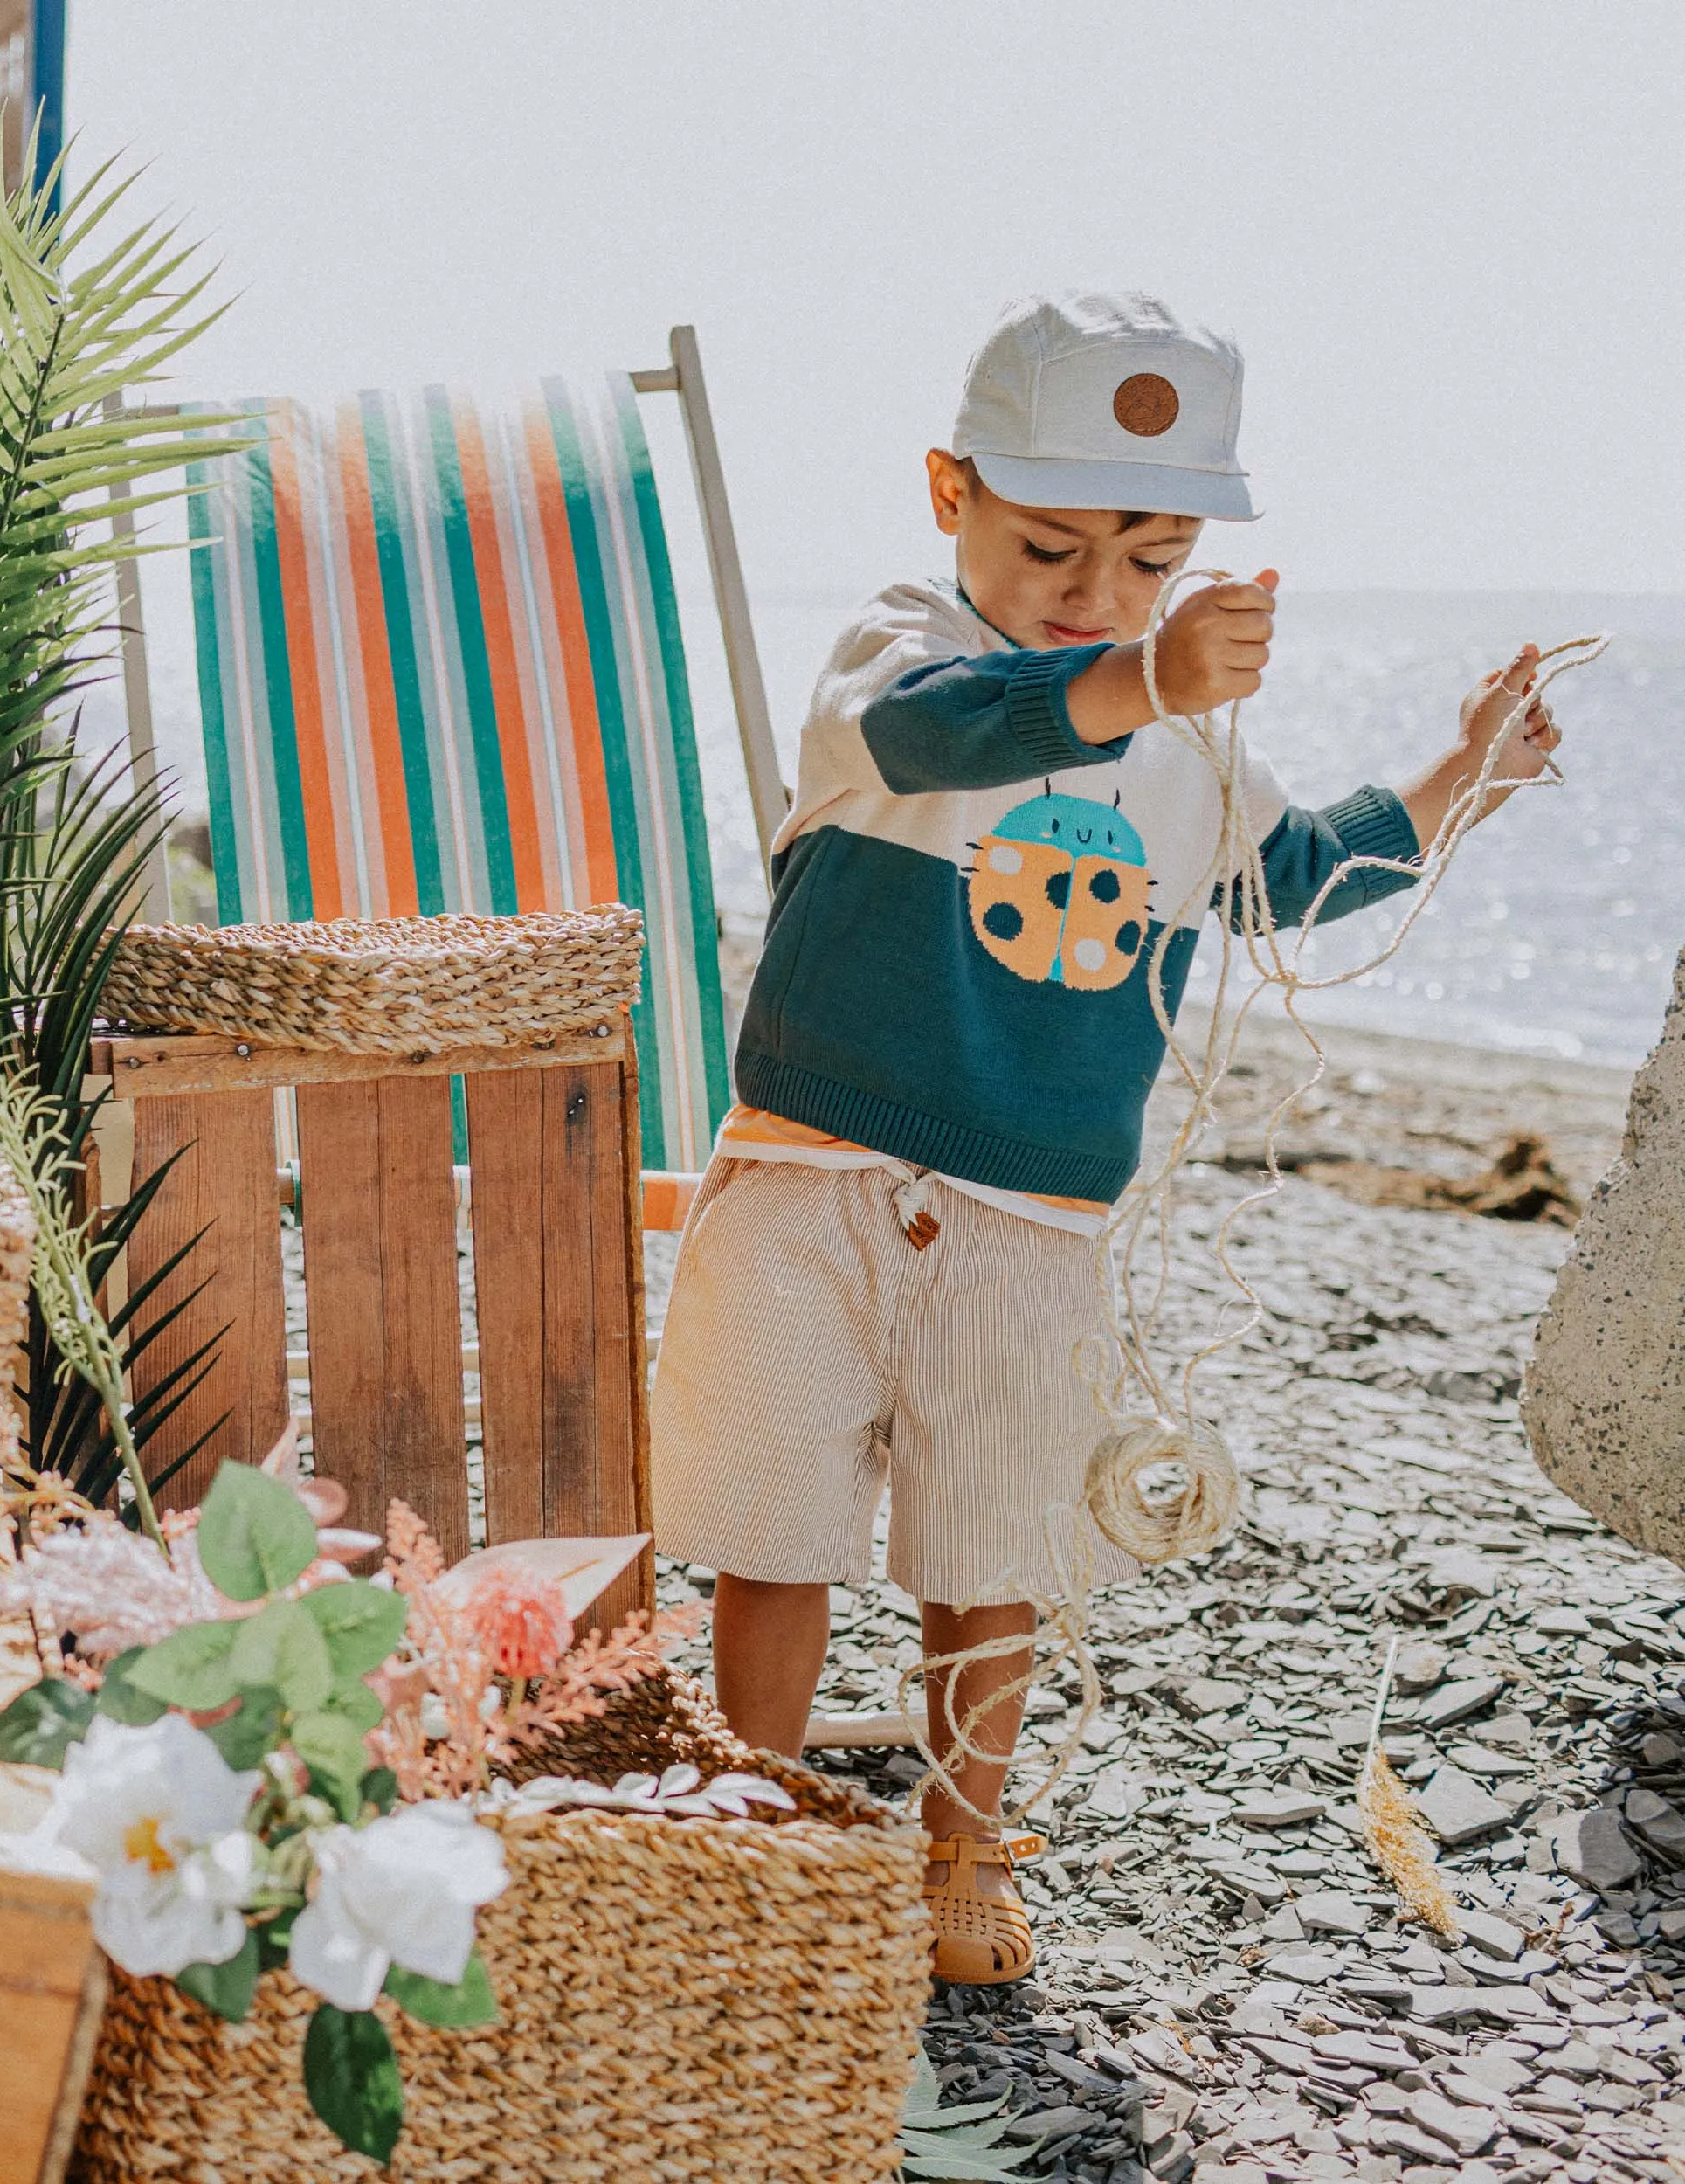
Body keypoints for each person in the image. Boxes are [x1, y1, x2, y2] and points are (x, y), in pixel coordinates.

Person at [649, 291, 1560, 1984]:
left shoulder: (1184, 742)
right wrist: (1130, 668)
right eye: (1048, 545)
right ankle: (748, 1816)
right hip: (807, 1175)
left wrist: (1456, 775)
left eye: (1142, 561)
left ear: (1195, 550)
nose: (1089, 592)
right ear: (948, 495)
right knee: (771, 1532)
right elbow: (940, 728)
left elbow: (1291, 880)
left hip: (1031, 1211)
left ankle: (960, 1845)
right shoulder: (893, 649)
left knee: (986, 1550)